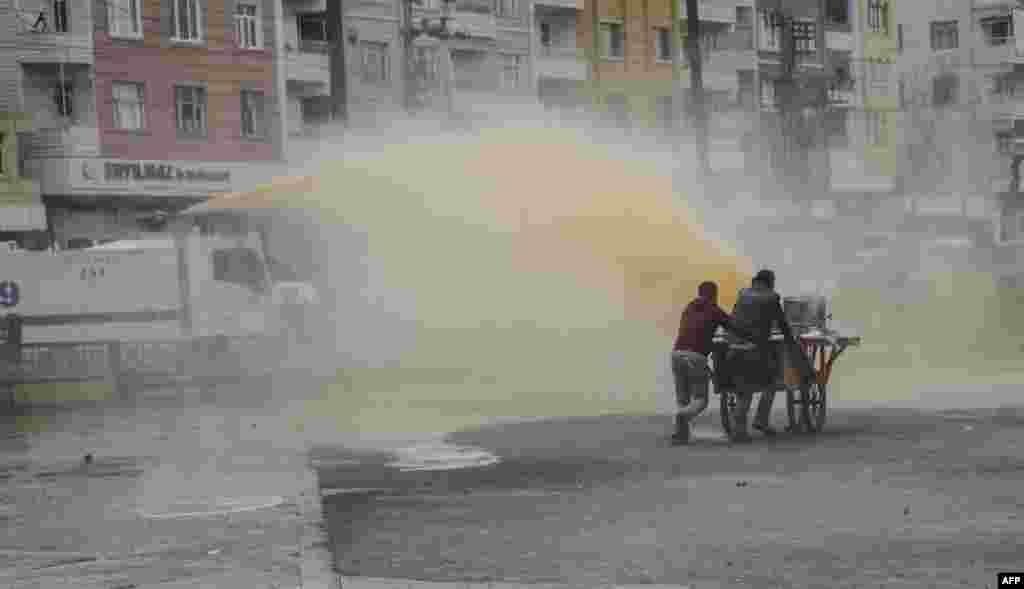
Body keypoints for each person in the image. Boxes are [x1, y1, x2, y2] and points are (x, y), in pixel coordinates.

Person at [729, 269, 809, 442]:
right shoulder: (771, 298)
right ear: (770, 282)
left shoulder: (742, 295)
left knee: (744, 390)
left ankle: (745, 426)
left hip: (733, 346)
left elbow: (735, 317)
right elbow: (782, 324)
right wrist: (792, 341)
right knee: (771, 381)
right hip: (754, 349)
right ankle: (755, 423)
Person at [670, 281, 754, 445]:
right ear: (714, 295)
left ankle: (681, 434)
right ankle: (683, 416)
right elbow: (734, 327)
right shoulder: (713, 309)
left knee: (683, 398)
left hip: (676, 353)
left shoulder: (688, 308)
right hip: (695, 356)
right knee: (700, 400)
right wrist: (751, 336)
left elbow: (693, 331)